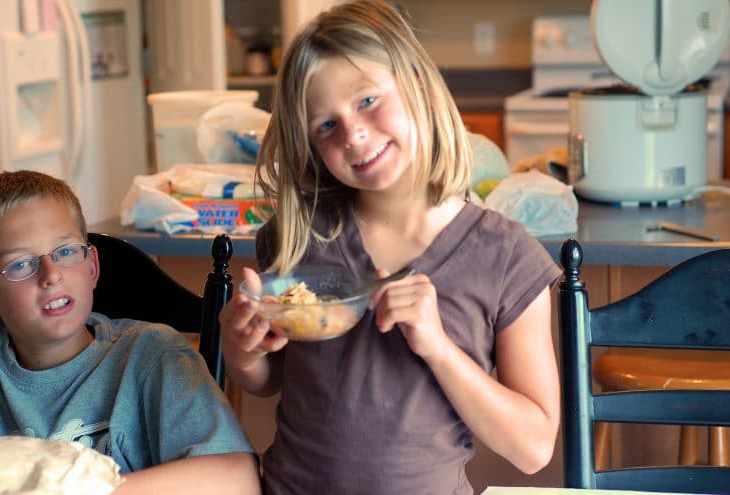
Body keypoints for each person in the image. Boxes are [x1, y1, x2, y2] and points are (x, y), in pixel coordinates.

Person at [219, 0, 562, 493]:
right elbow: (270, 378)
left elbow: (532, 449)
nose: (354, 135)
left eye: (367, 101)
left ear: (418, 86)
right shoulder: (297, 236)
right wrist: (242, 350)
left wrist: (439, 348)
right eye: (326, 126)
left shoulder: (506, 256)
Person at [0, 170, 262, 495]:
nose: (51, 275)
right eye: (20, 264)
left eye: (65, 252)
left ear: (92, 268)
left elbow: (238, 479)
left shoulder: (154, 356)